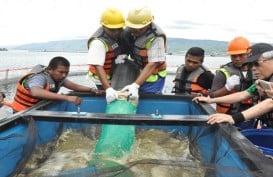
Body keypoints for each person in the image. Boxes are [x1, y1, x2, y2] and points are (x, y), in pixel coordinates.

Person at [194, 43, 273, 126]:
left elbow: (270, 103)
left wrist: (233, 118)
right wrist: (210, 100)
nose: (253, 68)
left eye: (256, 63)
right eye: (250, 64)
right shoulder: (262, 82)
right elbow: (243, 94)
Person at [10, 56, 103, 113]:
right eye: (61, 72)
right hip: (22, 111)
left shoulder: (59, 78)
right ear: (50, 69)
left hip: (37, 109)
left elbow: (75, 86)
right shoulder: (39, 77)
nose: (64, 75)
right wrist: (67, 98)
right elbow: (36, 92)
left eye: (66, 72)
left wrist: (92, 90)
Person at [120, 6, 167, 99]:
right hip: (139, 70)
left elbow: (153, 64)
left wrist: (136, 85)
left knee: (148, 98)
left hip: (154, 76)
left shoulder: (157, 37)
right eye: (134, 27)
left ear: (149, 24)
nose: (137, 30)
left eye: (141, 28)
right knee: (132, 97)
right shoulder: (128, 31)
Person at [87, 8, 127, 104]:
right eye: (112, 30)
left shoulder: (119, 35)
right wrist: (108, 89)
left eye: (119, 29)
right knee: (112, 98)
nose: (116, 32)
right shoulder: (97, 43)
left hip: (114, 73)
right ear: (103, 26)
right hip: (102, 78)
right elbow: (97, 66)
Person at [209, 36, 254, 115]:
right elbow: (212, 95)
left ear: (249, 54)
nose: (237, 58)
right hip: (227, 116)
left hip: (251, 115)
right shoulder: (223, 72)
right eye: (233, 56)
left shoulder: (257, 70)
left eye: (241, 55)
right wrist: (226, 88)